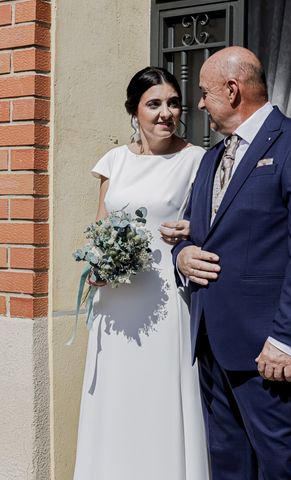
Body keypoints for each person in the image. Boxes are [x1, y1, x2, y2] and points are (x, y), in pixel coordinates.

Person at [172, 47, 291, 479]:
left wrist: (286, 339)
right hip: (211, 339)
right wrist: (182, 255)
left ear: (232, 90)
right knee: (227, 462)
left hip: (266, 347)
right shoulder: (211, 157)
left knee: (278, 465)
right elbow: (193, 231)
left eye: (205, 93)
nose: (201, 103)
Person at [73, 67, 209, 480]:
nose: (166, 113)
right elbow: (100, 224)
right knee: (117, 396)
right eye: (154, 104)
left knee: (158, 395)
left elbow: (210, 226)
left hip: (164, 299)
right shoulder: (113, 161)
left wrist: (192, 230)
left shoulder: (197, 161)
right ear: (134, 110)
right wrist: (96, 266)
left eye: (173, 103)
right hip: (114, 302)